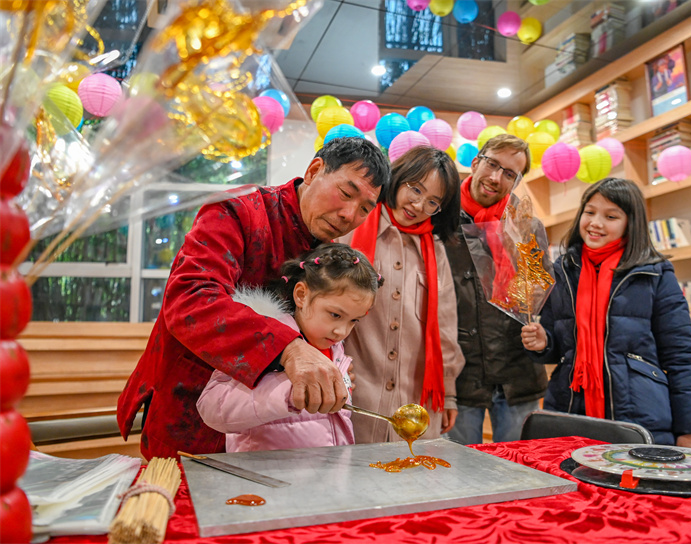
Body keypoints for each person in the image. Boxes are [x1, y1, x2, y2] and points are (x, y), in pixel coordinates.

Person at [117, 137, 391, 460]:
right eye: (346, 194)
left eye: (364, 208)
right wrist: (290, 349)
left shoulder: (325, 249)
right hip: (190, 409)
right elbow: (189, 301)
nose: (349, 214)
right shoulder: (239, 210)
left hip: (268, 435)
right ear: (315, 170)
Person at [521, 177, 691, 447]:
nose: (596, 223)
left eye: (611, 216)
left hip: (639, 414)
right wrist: (543, 342)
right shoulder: (562, 270)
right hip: (569, 409)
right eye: (589, 212)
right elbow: (559, 347)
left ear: (629, 223)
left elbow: (682, 356)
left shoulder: (654, 273)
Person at [197, 243, 383, 452]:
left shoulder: (336, 349)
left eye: (353, 321)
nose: (341, 331)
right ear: (301, 295)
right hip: (264, 479)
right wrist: (288, 392)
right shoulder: (262, 340)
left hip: (325, 480)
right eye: (335, 315)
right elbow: (212, 408)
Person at [342, 146, 465, 443]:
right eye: (415, 189)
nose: (419, 205)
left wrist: (448, 394)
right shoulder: (352, 227)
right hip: (354, 399)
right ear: (399, 177)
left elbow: (445, 326)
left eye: (433, 201)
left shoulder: (434, 251)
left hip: (416, 403)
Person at [444, 134, 549, 445]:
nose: (496, 178)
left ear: (516, 183)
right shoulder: (440, 221)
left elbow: (541, 293)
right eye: (492, 165)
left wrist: (543, 335)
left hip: (519, 374)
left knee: (519, 472)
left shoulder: (527, 226)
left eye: (509, 173)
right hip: (461, 374)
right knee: (461, 475)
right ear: (475, 162)